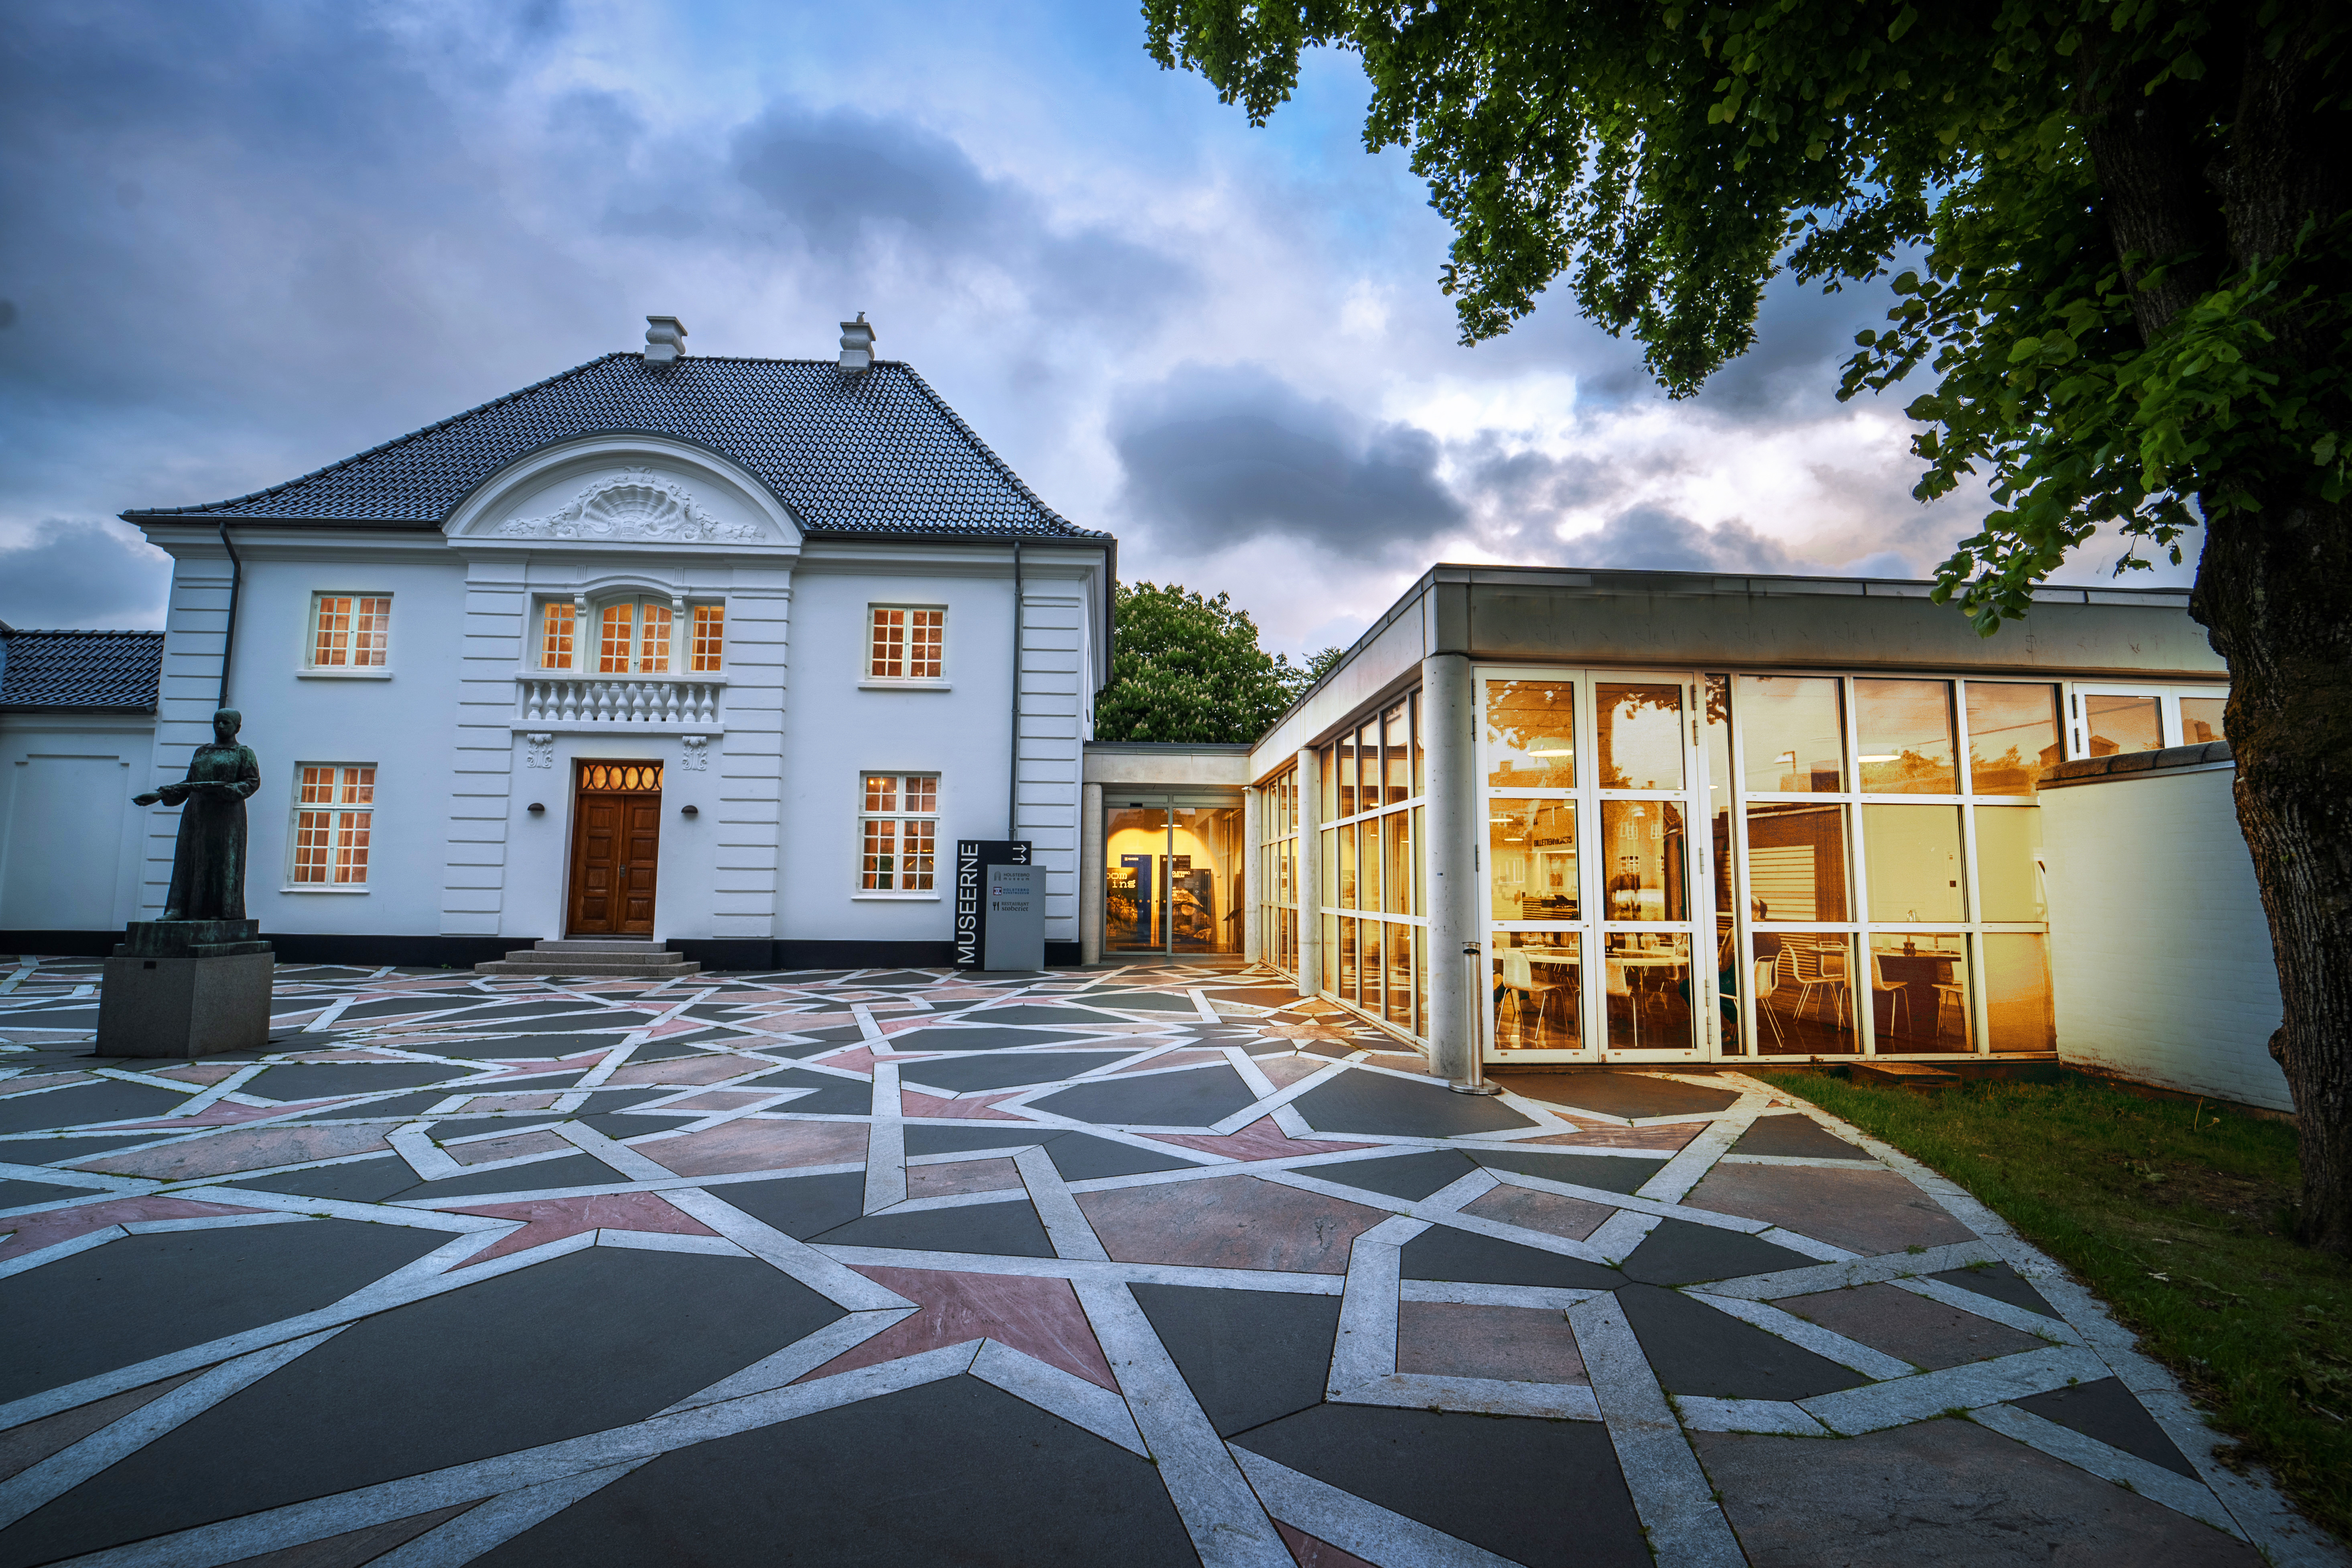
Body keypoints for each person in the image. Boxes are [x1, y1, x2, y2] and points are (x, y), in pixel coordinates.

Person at [134, 709, 260, 922]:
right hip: (196, 812)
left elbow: (252, 782)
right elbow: (190, 783)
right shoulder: (202, 752)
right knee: (187, 858)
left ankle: (219, 911)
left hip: (226, 815)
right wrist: (159, 794)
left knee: (220, 861)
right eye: (217, 722)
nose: (220, 726)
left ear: (237, 727)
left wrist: (231, 791)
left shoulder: (243, 754)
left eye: (226, 723)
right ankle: (178, 909)